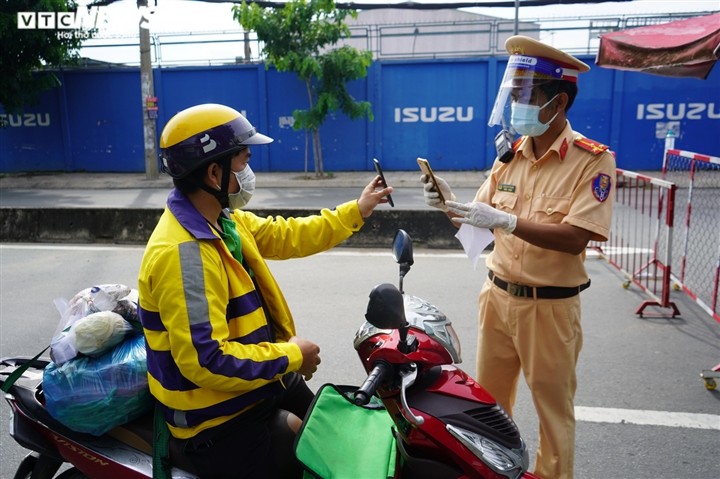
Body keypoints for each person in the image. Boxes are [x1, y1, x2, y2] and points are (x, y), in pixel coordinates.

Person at [137, 103, 393, 479]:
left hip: (254, 383)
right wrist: (291, 356)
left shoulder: (224, 222)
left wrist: (357, 209)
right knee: (304, 458)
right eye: (243, 161)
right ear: (213, 171)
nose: (248, 171)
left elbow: (288, 234)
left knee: (341, 437)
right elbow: (206, 360)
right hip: (215, 415)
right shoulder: (184, 255)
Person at [422, 36, 616, 479]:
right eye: (513, 94)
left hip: (549, 307)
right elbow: (478, 225)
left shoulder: (592, 162)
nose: (515, 104)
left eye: (526, 95)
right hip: (497, 298)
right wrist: (451, 202)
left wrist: (507, 222)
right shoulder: (509, 157)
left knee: (553, 413)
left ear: (559, 103)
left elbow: (576, 238)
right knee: (487, 406)